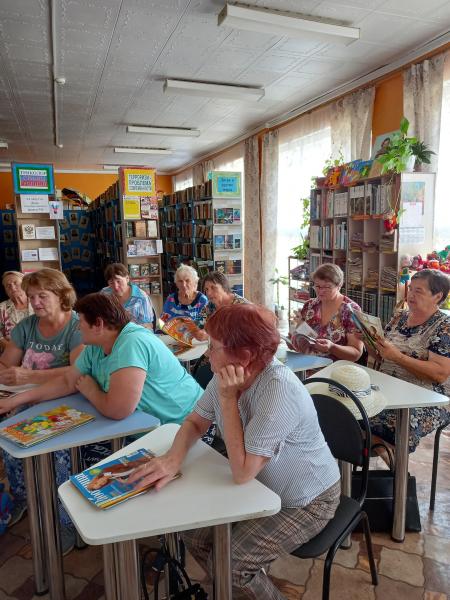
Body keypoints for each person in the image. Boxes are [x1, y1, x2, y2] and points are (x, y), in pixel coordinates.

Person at [127, 303, 341, 600]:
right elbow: (195, 422)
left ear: (244, 355)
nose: (206, 354)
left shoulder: (278, 389)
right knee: (195, 536)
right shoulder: (226, 374)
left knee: (233, 565)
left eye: (213, 347)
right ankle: (236, 584)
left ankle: (242, 582)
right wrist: (172, 460)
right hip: (260, 486)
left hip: (307, 500)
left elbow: (242, 472)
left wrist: (228, 400)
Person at [0, 293, 204, 426]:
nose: (77, 327)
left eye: (81, 321)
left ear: (98, 324)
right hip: (149, 426)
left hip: (188, 425)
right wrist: (14, 401)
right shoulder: (96, 346)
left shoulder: (132, 342)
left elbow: (118, 409)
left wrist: (91, 390)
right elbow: (67, 381)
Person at [0, 268, 83, 551]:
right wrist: (9, 374)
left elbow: (77, 372)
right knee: (8, 439)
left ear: (61, 295)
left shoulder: (76, 326)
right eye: (31, 296)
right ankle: (23, 497)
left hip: (67, 401)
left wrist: (29, 375)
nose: (34, 302)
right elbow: (6, 364)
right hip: (27, 399)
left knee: (60, 456)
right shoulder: (26, 326)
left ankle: (66, 520)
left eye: (42, 296)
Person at [369, 269, 450, 453]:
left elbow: (439, 374)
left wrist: (397, 357)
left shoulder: (445, 326)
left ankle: (396, 468)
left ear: (437, 296)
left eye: (418, 291)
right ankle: (386, 463)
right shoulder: (400, 316)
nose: (410, 294)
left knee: (390, 427)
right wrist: (367, 340)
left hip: (427, 397)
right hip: (389, 387)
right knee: (351, 411)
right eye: (410, 289)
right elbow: (381, 356)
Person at [290, 263, 363, 362]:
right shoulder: (310, 305)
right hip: (306, 364)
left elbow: (356, 353)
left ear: (339, 286)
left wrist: (332, 347)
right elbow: (302, 339)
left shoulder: (351, 310)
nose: (320, 291)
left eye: (327, 287)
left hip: (334, 368)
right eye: (317, 286)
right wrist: (293, 340)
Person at [101, 262, 154, 329]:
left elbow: (148, 326)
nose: (116, 287)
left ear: (127, 278)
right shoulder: (104, 294)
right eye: (111, 283)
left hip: (134, 333)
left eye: (119, 281)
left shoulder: (141, 297)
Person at [197, 271, 248, 338]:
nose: (208, 293)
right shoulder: (209, 306)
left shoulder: (243, 307)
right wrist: (199, 332)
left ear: (224, 287)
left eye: (213, 288)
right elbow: (199, 325)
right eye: (206, 289)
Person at [0, 271, 33, 354]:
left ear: (24, 284)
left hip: (41, 350)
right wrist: (16, 351)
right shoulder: (1, 308)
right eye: (8, 285)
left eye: (15, 283)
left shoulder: (37, 302)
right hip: (11, 352)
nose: (12, 287)